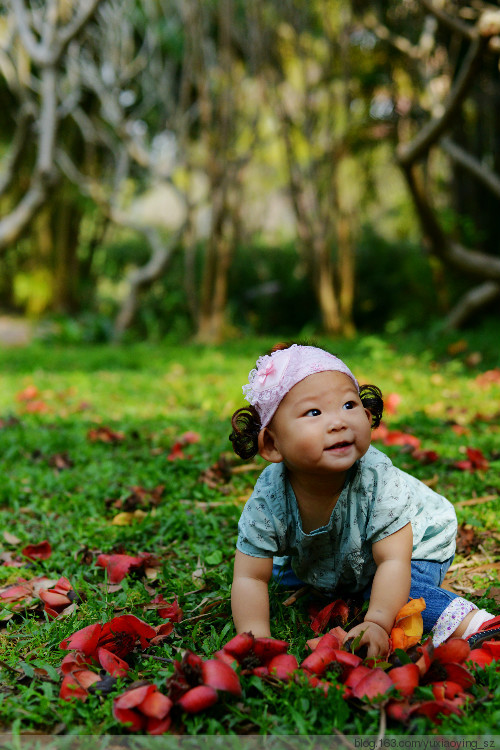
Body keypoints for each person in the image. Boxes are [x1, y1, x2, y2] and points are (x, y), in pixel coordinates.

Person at [229, 343, 498, 658]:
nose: (338, 421)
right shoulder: (269, 497)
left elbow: (394, 560)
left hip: (415, 543)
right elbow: (249, 575)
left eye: (348, 404)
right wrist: (256, 639)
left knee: (396, 594)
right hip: (343, 549)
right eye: (314, 412)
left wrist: (378, 623)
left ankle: (477, 623)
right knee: (280, 571)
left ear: (367, 414)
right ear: (272, 444)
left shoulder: (376, 480)